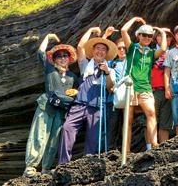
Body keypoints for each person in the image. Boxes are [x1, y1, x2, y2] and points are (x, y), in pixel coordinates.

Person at [58, 27, 116, 164]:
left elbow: (110, 87)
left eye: (103, 49)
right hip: (79, 104)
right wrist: (90, 30)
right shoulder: (86, 65)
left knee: (93, 138)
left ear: (106, 53)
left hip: (97, 108)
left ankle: (87, 165)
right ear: (93, 50)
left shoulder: (110, 70)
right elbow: (80, 47)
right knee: (67, 128)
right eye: (98, 48)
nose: (100, 51)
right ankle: (63, 163)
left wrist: (107, 72)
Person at [24, 34, 78, 177]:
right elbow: (41, 53)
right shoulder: (50, 69)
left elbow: (76, 95)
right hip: (46, 107)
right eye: (59, 56)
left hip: (60, 112)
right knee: (39, 136)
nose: (62, 58)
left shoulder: (73, 77)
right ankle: (30, 167)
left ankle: (46, 168)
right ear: (54, 60)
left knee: (54, 141)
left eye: (65, 56)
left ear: (69, 59)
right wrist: (47, 37)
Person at [120, 17, 167, 152]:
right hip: (130, 87)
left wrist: (161, 32)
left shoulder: (151, 52)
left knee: (151, 113)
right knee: (128, 120)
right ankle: (126, 150)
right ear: (139, 36)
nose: (147, 38)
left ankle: (154, 144)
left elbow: (163, 48)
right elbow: (123, 30)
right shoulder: (132, 48)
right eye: (144, 35)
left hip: (145, 87)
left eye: (149, 36)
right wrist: (134, 19)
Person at [152, 29, 174, 144]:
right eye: (161, 35)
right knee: (151, 120)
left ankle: (163, 147)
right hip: (153, 90)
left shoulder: (174, 53)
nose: (165, 38)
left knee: (165, 122)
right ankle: (151, 147)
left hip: (169, 91)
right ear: (156, 38)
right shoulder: (151, 52)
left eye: (168, 36)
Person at [107, 36, 127, 151]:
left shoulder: (131, 62)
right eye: (119, 48)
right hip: (113, 99)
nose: (122, 50)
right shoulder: (111, 63)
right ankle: (110, 151)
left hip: (127, 98)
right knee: (112, 126)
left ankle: (124, 149)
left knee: (126, 125)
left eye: (124, 48)